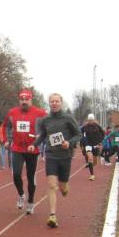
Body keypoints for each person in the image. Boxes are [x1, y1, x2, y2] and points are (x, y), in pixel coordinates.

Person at [28, 93, 81, 228]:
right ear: (49, 103)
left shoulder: (68, 118)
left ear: (61, 103)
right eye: (52, 101)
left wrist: (69, 143)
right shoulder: (46, 119)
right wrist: (34, 144)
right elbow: (43, 135)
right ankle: (52, 215)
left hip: (65, 156)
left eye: (57, 101)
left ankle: (65, 188)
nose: (54, 103)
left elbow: (78, 134)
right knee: (51, 185)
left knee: (63, 187)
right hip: (51, 156)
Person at [4, 89, 46, 213]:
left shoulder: (40, 113)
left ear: (31, 100)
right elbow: (5, 126)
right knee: (16, 174)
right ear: (19, 100)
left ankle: (31, 202)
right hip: (17, 148)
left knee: (30, 177)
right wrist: (6, 140)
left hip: (32, 149)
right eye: (22, 99)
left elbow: (49, 126)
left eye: (26, 99)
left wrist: (40, 137)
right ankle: (21, 194)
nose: (24, 102)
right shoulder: (12, 112)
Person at [80, 113, 105, 180]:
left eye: (91, 120)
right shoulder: (85, 127)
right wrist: (82, 143)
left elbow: (103, 133)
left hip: (96, 145)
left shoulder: (97, 126)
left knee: (95, 162)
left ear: (93, 120)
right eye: (89, 120)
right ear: (88, 120)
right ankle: (92, 175)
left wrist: (100, 142)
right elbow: (80, 133)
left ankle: (90, 164)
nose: (90, 121)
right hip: (88, 145)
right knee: (90, 158)